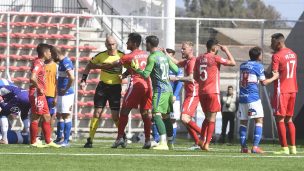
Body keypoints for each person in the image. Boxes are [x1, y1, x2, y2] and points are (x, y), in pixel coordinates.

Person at [131, 35, 179, 150]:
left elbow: (146, 75)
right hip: (169, 90)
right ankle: (170, 142)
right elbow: (177, 70)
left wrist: (136, 69)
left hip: (160, 90)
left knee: (156, 115)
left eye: (146, 43)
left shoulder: (152, 57)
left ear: (149, 44)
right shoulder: (164, 56)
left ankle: (162, 142)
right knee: (166, 117)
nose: (145, 45)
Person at [81, 36, 124, 148]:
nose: (111, 46)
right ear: (106, 45)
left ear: (116, 44)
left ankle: (122, 136)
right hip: (102, 87)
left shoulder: (122, 55)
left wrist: (124, 75)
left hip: (115, 88)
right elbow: (89, 65)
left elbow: (131, 67)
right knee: (97, 113)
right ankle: (90, 139)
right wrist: (83, 80)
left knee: (115, 117)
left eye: (113, 44)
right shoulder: (101, 55)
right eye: (109, 44)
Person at [111, 33, 153, 149]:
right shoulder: (146, 54)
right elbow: (132, 68)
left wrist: (97, 65)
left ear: (134, 43)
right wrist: (125, 75)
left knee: (124, 111)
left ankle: (119, 138)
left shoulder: (128, 56)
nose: (126, 43)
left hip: (136, 85)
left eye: (128, 41)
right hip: (148, 86)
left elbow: (114, 64)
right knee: (145, 114)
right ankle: (148, 140)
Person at [194, 39, 236, 151]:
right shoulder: (215, 58)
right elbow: (233, 63)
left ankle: (201, 140)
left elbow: (195, 76)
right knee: (212, 118)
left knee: (207, 117)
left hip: (202, 92)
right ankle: (207, 143)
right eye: (217, 47)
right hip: (213, 91)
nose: (218, 49)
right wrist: (226, 50)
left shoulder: (199, 58)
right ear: (214, 48)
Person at [263, 33, 298, 155]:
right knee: (289, 119)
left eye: (272, 43)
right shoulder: (293, 54)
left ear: (279, 43)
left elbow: (276, 74)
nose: (270, 45)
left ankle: (284, 148)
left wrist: (267, 80)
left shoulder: (277, 56)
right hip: (293, 89)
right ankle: (293, 148)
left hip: (281, 91)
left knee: (280, 119)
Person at [167, 41, 201, 149]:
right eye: (181, 48)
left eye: (183, 49)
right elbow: (177, 63)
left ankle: (205, 136)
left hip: (193, 93)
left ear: (190, 49)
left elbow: (191, 78)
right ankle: (198, 142)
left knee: (184, 119)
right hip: (189, 94)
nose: (181, 50)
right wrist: (166, 54)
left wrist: (176, 78)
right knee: (185, 120)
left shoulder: (192, 62)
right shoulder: (187, 61)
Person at [29, 43, 60, 148]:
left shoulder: (41, 63)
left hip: (41, 94)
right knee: (36, 117)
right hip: (37, 93)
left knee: (47, 116)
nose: (50, 54)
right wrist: (39, 87)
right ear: (45, 53)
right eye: (49, 52)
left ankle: (48, 141)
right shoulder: (38, 63)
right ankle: (34, 142)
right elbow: (32, 77)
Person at [238, 47, 266, 153]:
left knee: (243, 122)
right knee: (258, 120)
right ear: (258, 56)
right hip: (253, 98)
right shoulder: (258, 66)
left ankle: (244, 148)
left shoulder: (242, 65)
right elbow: (264, 82)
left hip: (242, 98)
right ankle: (255, 147)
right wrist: (275, 77)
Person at [51, 46, 75, 147]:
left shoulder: (66, 62)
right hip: (61, 94)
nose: (51, 57)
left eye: (52, 55)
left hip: (67, 94)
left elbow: (72, 77)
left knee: (66, 116)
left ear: (56, 54)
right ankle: (59, 138)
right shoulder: (60, 63)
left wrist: (66, 89)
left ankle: (66, 140)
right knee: (59, 115)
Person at [166, 48, 183, 144]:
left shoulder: (177, 68)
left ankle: (171, 141)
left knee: (172, 119)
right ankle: (158, 140)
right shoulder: (163, 66)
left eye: (170, 55)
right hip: (163, 95)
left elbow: (180, 82)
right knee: (158, 117)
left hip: (173, 98)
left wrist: (175, 95)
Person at [44, 56, 57, 137]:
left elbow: (57, 83)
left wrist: (56, 97)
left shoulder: (56, 66)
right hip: (41, 94)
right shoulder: (41, 65)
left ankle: (49, 136)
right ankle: (38, 136)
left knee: (52, 116)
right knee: (41, 116)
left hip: (51, 94)